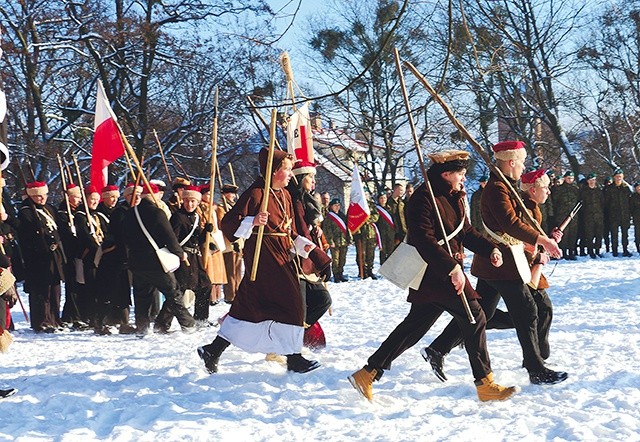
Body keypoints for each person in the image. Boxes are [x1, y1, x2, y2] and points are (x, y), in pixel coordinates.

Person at [348, 149, 516, 402]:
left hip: (445, 271)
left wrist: (490, 248)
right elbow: (423, 241)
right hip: (435, 272)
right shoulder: (423, 198)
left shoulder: (456, 197)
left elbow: (466, 232)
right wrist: (452, 268)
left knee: (414, 326)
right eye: (460, 173)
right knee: (475, 316)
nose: (463, 178)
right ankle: (485, 384)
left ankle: (368, 373)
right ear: (446, 174)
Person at [424, 168, 563, 382]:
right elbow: (510, 224)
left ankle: (438, 348)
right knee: (527, 311)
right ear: (510, 162)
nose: (523, 166)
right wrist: (542, 242)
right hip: (503, 263)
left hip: (499, 263)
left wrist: (545, 240)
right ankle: (535, 368)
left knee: (484, 313)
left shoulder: (505, 187)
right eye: (521, 161)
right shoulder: (497, 189)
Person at [197, 149, 320, 374]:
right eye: (287, 170)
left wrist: (312, 253)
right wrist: (253, 221)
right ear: (274, 171)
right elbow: (229, 225)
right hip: (263, 261)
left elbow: (290, 231)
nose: (291, 175)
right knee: (292, 304)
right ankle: (293, 357)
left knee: (249, 308)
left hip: (283, 256)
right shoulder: (255, 194)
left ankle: (213, 349)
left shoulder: (285, 195)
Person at [123, 183, 195, 334]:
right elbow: (169, 237)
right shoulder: (157, 213)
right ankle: (188, 324)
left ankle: (142, 327)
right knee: (173, 292)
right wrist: (180, 253)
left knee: (142, 296)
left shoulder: (130, 213)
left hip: (137, 261)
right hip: (156, 262)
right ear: (154, 196)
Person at [17, 181, 66, 332]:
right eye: (38, 196)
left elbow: (58, 226)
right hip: (37, 257)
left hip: (54, 254)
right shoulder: (26, 211)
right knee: (41, 289)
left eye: (44, 195)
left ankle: (54, 318)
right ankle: (42, 321)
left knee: (55, 289)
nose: (42, 199)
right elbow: (28, 234)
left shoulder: (49, 208)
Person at [170, 185, 213, 326]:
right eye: (187, 201)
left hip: (195, 258)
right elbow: (173, 240)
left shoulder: (196, 216)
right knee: (179, 291)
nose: (190, 204)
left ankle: (200, 319)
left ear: (198, 202)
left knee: (205, 286)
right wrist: (180, 254)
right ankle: (163, 322)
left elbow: (197, 241)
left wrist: (206, 232)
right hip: (183, 258)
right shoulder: (178, 217)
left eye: (193, 201)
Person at [200, 184, 227, 307]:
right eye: (207, 194)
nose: (210, 196)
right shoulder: (201, 208)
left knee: (217, 271)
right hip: (208, 241)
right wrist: (209, 239)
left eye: (211, 194)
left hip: (216, 239)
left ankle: (217, 295)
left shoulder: (214, 208)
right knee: (209, 271)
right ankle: (211, 296)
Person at [217, 183, 242, 304]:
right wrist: (233, 240)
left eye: (233, 193)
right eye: (230, 193)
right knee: (230, 270)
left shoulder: (234, 206)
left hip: (237, 242)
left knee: (237, 269)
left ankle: (237, 292)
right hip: (229, 243)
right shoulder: (221, 208)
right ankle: (230, 295)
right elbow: (224, 226)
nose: (232, 196)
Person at [604, 169, 632, 257]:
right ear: (614, 177)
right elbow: (606, 203)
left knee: (625, 234)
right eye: (617, 177)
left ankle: (625, 249)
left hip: (625, 215)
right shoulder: (609, 188)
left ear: (623, 177)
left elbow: (630, 202)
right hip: (613, 215)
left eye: (620, 176)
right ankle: (614, 250)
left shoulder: (626, 188)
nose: (618, 178)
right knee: (614, 234)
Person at [552, 171, 580, 260]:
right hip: (562, 215)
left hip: (573, 216)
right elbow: (555, 202)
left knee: (573, 234)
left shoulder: (575, 189)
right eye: (568, 178)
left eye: (571, 178)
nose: (570, 180)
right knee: (563, 234)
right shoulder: (559, 189)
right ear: (564, 178)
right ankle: (563, 252)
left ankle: (571, 252)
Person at [322, 198, 350, 282]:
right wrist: (330, 241)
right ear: (331, 206)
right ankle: (336, 276)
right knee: (336, 260)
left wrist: (349, 239)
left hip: (343, 241)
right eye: (335, 205)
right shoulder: (329, 217)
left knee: (342, 259)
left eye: (338, 205)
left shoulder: (342, 216)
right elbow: (327, 230)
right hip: (335, 242)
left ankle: (341, 274)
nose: (337, 207)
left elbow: (347, 229)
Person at [352, 193, 379, 279]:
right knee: (361, 254)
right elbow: (353, 218)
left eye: (366, 194)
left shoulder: (371, 204)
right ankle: (362, 271)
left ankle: (370, 270)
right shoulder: (356, 205)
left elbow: (376, 215)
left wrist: (367, 219)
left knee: (370, 253)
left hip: (371, 233)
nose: (365, 196)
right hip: (360, 234)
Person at [579, 173, 604, 258]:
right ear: (587, 181)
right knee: (589, 235)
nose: (592, 182)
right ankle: (590, 251)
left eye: (593, 180)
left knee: (599, 235)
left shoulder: (599, 191)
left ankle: (597, 250)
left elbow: (603, 203)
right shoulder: (584, 192)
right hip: (588, 216)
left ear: (595, 180)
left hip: (599, 216)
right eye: (590, 180)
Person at [375, 192, 395, 264]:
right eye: (381, 198)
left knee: (391, 252)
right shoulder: (376, 209)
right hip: (381, 234)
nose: (383, 200)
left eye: (384, 198)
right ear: (378, 199)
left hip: (390, 233)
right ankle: (383, 269)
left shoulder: (390, 208)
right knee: (383, 253)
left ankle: (390, 270)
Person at [631, 182, 640, 253]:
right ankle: (638, 247)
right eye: (638, 187)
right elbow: (631, 208)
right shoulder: (633, 197)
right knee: (637, 234)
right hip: (637, 218)